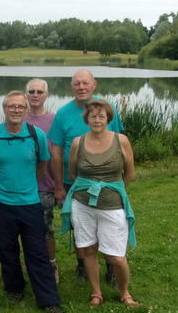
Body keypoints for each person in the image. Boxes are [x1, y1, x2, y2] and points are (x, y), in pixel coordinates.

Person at [0, 90, 68, 313]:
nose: (16, 110)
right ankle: (14, 289)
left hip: (29, 203)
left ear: (26, 110)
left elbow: (42, 165)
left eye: (20, 106)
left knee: (37, 252)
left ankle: (50, 301)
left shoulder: (36, 135)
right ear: (4, 109)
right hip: (0, 205)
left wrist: (25, 186)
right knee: (7, 250)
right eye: (11, 106)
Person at [48, 69, 123, 284]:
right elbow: (56, 150)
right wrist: (59, 185)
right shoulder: (63, 113)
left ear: (94, 85)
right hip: (75, 182)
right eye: (76, 84)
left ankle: (111, 268)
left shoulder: (108, 109)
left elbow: (119, 142)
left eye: (85, 83)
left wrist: (120, 181)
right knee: (80, 226)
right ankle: (83, 266)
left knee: (109, 225)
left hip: (107, 182)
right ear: (71, 86)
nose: (81, 87)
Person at [62, 100, 139, 307]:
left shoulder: (121, 140)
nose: (97, 120)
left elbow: (130, 174)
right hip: (82, 205)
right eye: (93, 116)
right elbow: (73, 173)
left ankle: (124, 293)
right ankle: (96, 293)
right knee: (88, 250)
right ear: (87, 119)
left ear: (108, 119)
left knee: (116, 257)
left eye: (101, 116)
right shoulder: (78, 142)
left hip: (113, 206)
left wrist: (110, 191)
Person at [23, 78, 59, 284]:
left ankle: (51, 264)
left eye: (39, 92)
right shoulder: (18, 117)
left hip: (45, 186)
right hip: (21, 187)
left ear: (46, 95)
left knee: (46, 228)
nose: (35, 95)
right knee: (26, 229)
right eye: (31, 91)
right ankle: (30, 264)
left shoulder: (54, 121)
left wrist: (59, 186)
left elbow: (55, 154)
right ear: (26, 94)